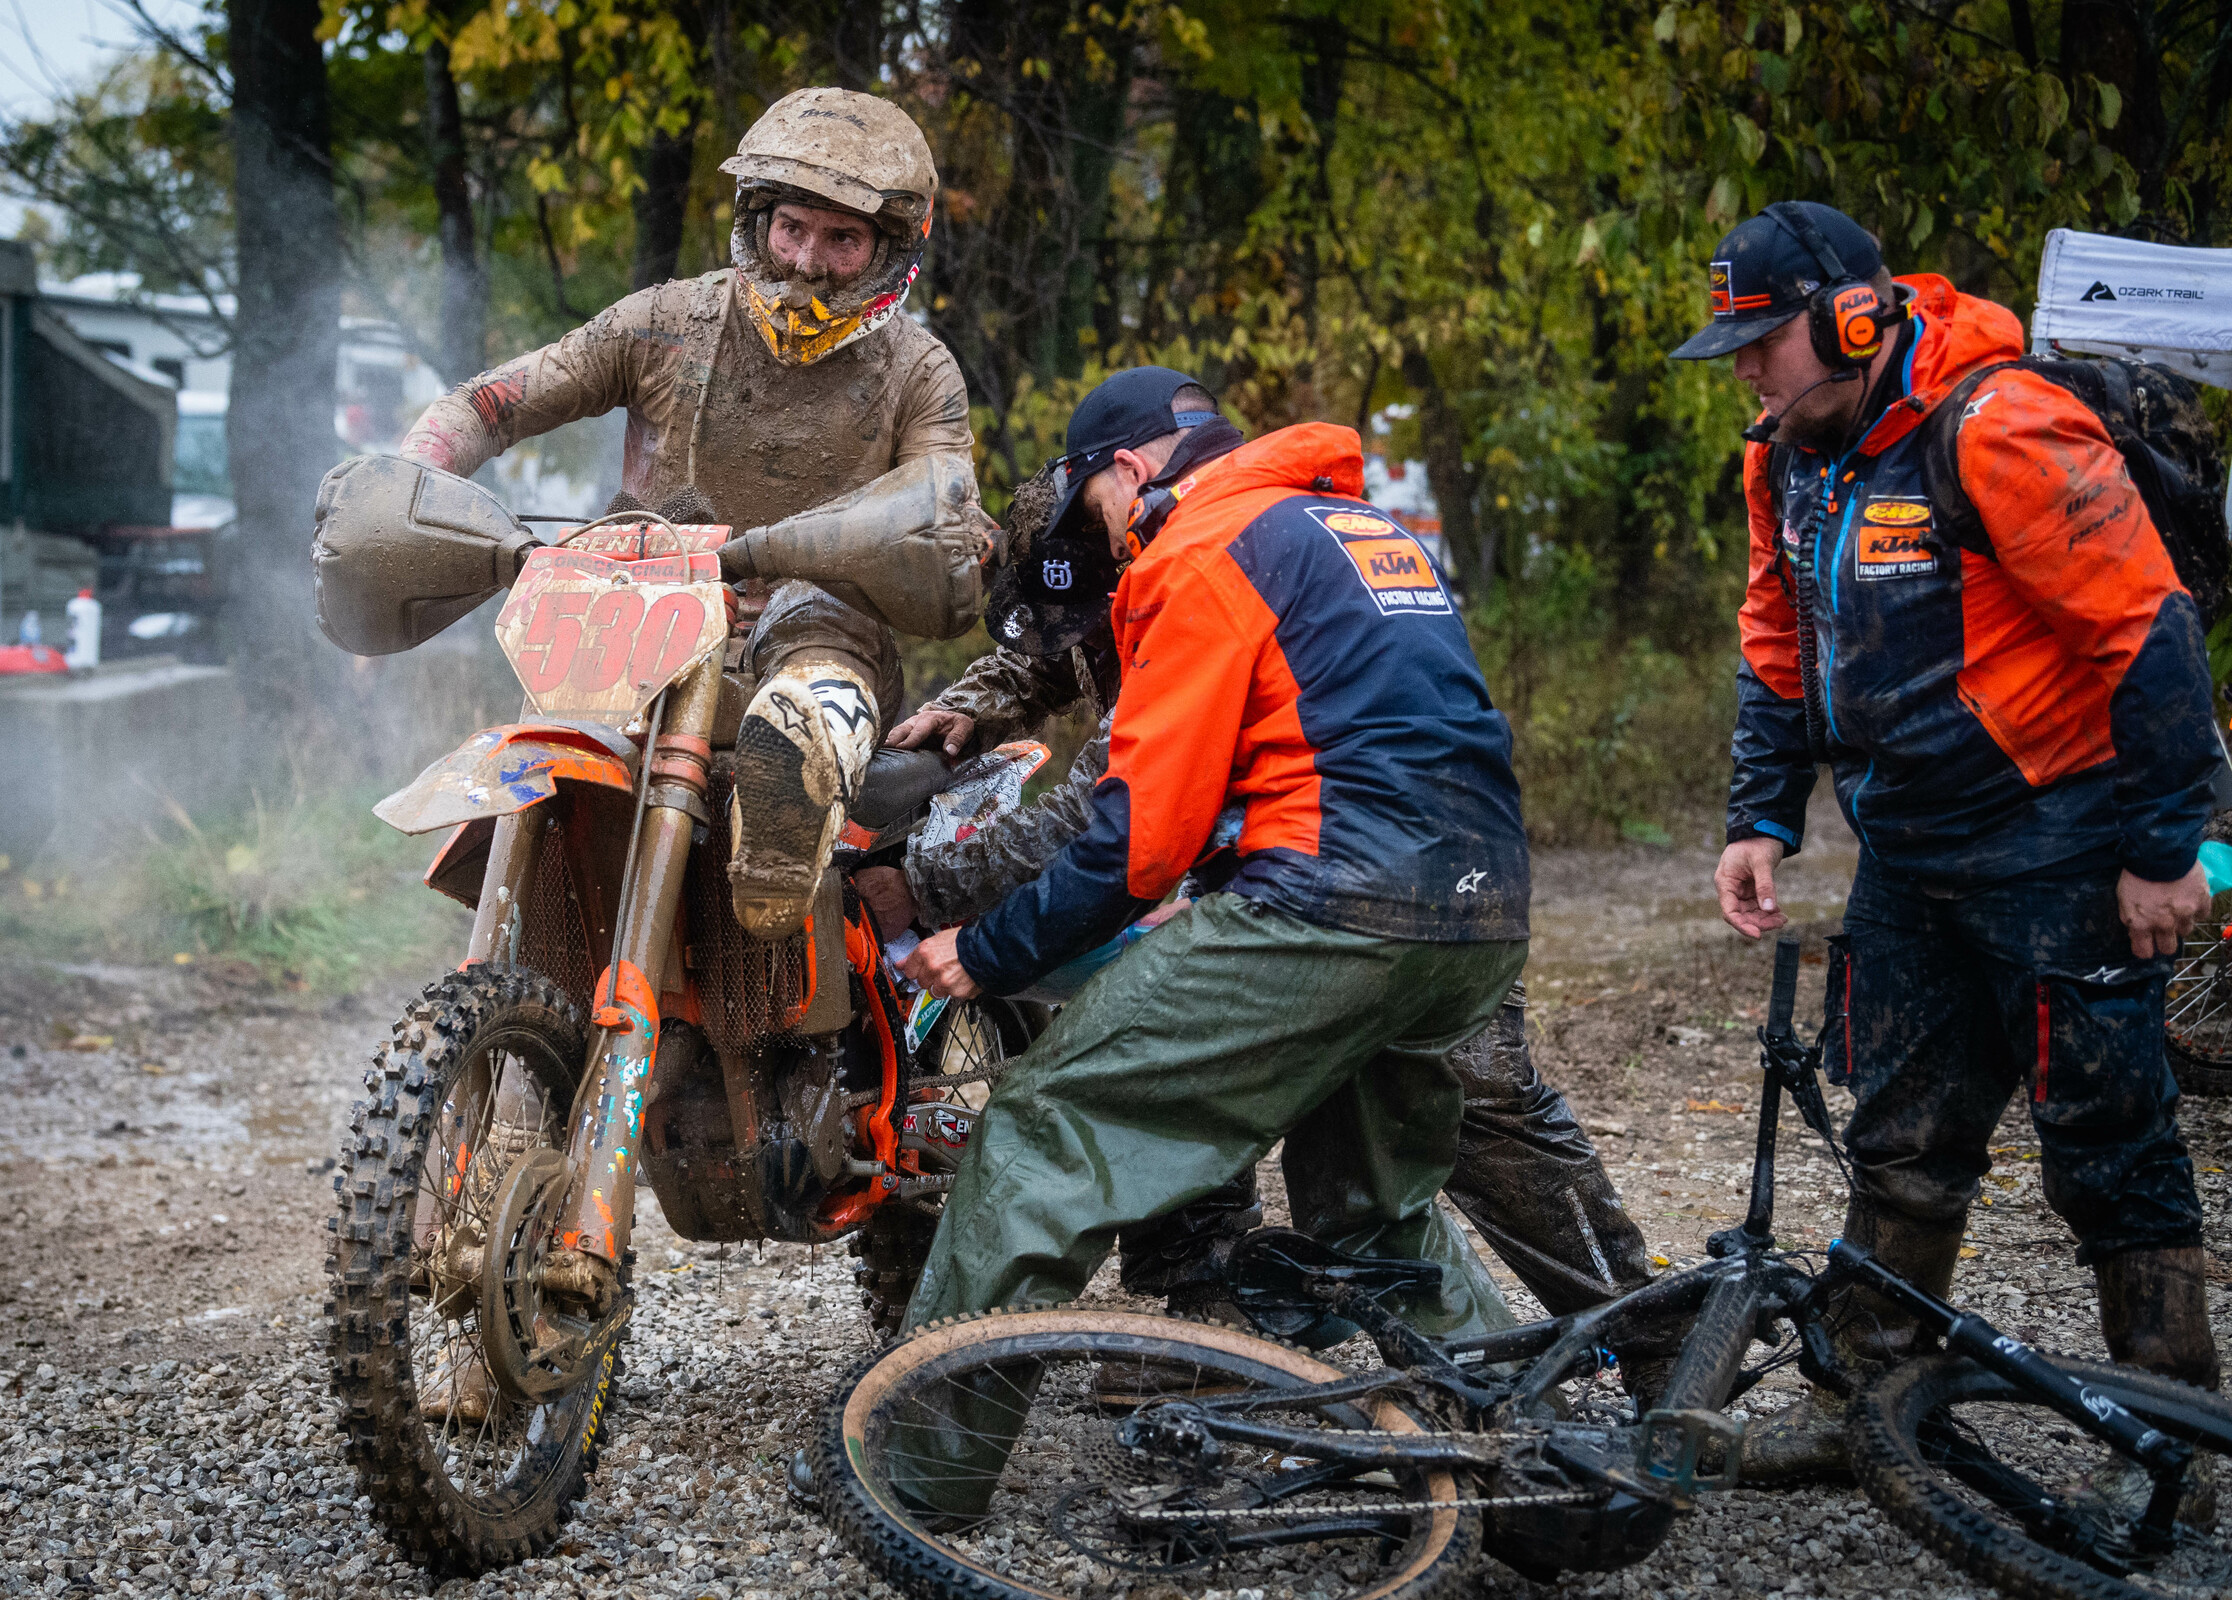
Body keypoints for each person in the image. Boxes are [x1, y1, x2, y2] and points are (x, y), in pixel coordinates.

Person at [867, 394, 1655, 1331]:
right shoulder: (1349, 526)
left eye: (1099, 532)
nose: (1109, 562)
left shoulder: (1196, 553)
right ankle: (1511, 1417)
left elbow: (1122, 827)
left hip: (1337, 891)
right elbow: (1056, 656)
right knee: (1370, 1201)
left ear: (1129, 472)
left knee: (1080, 1104)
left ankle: (906, 1459)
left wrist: (957, 916)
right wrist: (979, 708)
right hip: (1475, 884)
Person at [1680, 201, 2223, 1481]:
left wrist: (2159, 848)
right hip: (1909, 850)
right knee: (1902, 1127)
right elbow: (1779, 642)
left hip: (2059, 839)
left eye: (1765, 341)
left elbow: (2149, 633)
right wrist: (1761, 814)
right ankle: (1867, 1402)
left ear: (1852, 317)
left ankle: (2172, 1432)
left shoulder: (2002, 425)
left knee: (2112, 1140)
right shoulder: (1790, 456)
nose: (1749, 371)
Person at [399, 86, 980, 941]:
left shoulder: (918, 371)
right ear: (756, 218)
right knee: (546, 781)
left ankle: (781, 922)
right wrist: (417, 472)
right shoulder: (667, 320)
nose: (808, 261)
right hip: (638, 622)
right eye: (791, 227)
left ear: (892, 248)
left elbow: (945, 515)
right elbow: (496, 401)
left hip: (822, 635)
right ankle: (528, 978)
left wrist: (950, 549)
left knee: (808, 715)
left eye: (843, 238)